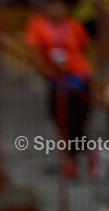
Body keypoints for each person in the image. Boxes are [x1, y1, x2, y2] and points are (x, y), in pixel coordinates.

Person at [25, 0, 94, 179]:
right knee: (60, 119)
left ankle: (76, 159)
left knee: (77, 121)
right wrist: (48, 73)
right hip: (58, 81)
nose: (58, 10)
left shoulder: (74, 26)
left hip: (79, 79)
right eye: (53, 5)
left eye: (61, 5)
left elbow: (83, 49)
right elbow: (33, 53)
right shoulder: (37, 25)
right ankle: (77, 157)